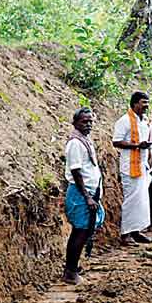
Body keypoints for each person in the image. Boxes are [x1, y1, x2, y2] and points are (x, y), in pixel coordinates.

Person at [63, 107, 104, 284]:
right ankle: (70, 272)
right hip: (81, 193)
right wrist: (87, 196)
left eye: (90, 121)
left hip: (88, 192)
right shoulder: (75, 143)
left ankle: (72, 268)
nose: (88, 125)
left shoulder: (84, 140)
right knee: (79, 232)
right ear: (75, 123)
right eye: (84, 121)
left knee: (83, 231)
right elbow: (76, 171)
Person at [112, 91, 152, 246]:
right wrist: (137, 146)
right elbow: (116, 142)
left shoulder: (144, 121)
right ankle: (125, 234)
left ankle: (136, 231)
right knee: (131, 200)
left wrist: (149, 154)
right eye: (144, 102)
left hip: (142, 165)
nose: (146, 106)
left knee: (141, 200)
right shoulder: (124, 121)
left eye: (147, 103)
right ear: (135, 103)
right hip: (129, 166)